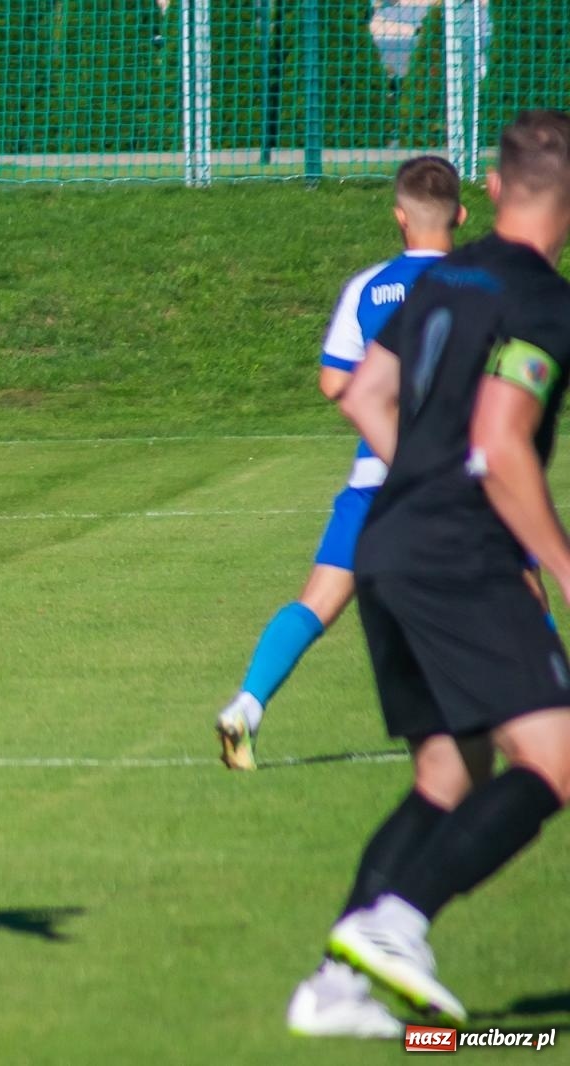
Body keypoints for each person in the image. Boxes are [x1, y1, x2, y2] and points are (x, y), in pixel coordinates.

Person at [302, 109, 570, 1031]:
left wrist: (417, 470)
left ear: (493, 188)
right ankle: (400, 922)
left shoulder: (440, 276)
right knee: (557, 758)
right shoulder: (543, 300)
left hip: (385, 541)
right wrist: (560, 564)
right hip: (456, 552)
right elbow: (501, 445)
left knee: (447, 775)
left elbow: (364, 391)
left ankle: (332, 989)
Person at [217, 157, 464, 772]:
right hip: (458, 476)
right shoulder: (483, 283)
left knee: (319, 600)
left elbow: (334, 382)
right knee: (518, 587)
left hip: (375, 479)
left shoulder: (368, 287)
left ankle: (246, 706)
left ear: (399, 218)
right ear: (461, 214)